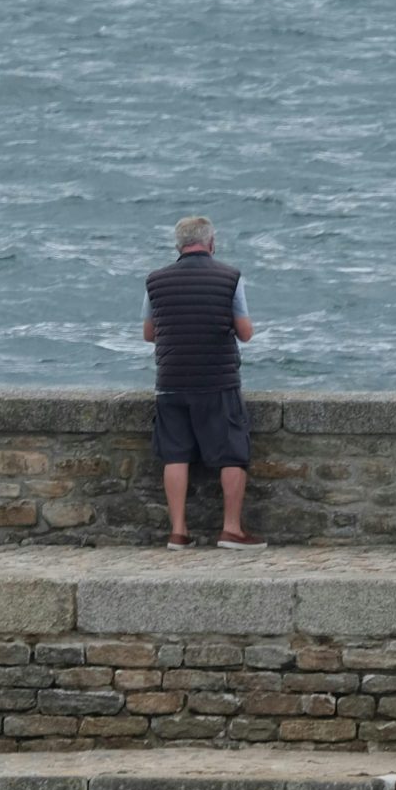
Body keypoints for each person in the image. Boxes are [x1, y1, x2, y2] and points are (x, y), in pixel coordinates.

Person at [141, 215, 264, 550]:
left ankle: (178, 532)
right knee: (232, 454)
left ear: (178, 246)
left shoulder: (155, 281)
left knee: (175, 455)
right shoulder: (230, 278)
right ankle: (231, 530)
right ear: (212, 243)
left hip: (170, 381)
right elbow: (246, 333)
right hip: (217, 380)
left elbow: (149, 333)